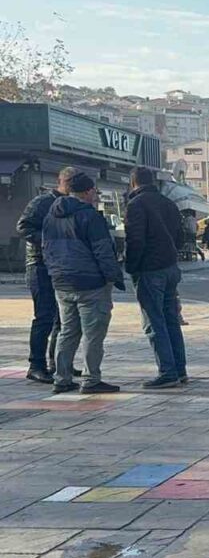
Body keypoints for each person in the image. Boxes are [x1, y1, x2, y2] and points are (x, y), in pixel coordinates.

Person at [42, 172, 125, 394]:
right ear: (88, 191)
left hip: (62, 282)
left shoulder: (51, 216)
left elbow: (45, 249)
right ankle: (91, 379)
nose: (96, 196)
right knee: (93, 333)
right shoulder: (89, 216)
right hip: (90, 283)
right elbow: (103, 251)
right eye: (95, 192)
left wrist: (55, 273)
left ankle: (62, 378)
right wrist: (113, 277)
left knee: (67, 331)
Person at [125, 166, 188, 388]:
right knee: (171, 319)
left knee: (154, 321)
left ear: (133, 183)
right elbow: (181, 237)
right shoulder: (168, 203)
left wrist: (131, 267)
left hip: (150, 269)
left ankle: (168, 372)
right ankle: (179, 369)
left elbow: (135, 240)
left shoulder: (136, 205)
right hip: (170, 267)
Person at [16, 167, 78, 384]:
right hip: (40, 265)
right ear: (61, 181)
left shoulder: (74, 204)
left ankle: (59, 362)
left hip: (61, 266)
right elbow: (23, 227)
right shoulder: (42, 202)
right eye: (70, 181)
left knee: (63, 318)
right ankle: (36, 365)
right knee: (44, 316)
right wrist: (49, 241)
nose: (72, 185)